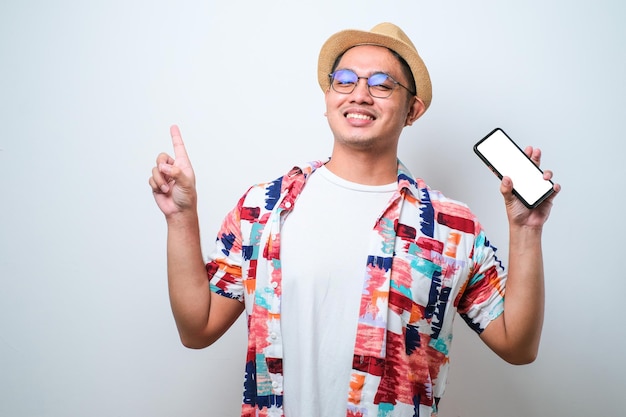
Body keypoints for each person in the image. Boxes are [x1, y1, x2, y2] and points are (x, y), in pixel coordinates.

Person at [149, 22, 559, 417]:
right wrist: (181, 217)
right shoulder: (263, 208)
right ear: (328, 97)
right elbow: (197, 328)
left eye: (382, 85)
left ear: (412, 110)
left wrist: (526, 230)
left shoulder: (453, 227)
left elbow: (518, 347)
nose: (360, 94)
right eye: (344, 80)